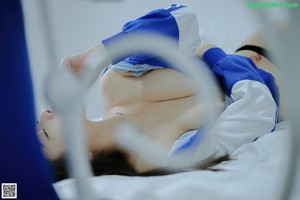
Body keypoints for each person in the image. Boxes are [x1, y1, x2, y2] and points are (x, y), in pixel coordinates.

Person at [36, 4, 280, 181]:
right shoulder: (156, 158)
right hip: (282, 84)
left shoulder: (112, 82)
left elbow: (183, 20)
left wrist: (101, 52)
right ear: (82, 158)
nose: (44, 113)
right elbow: (256, 113)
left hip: (252, 47)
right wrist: (212, 55)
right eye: (44, 134)